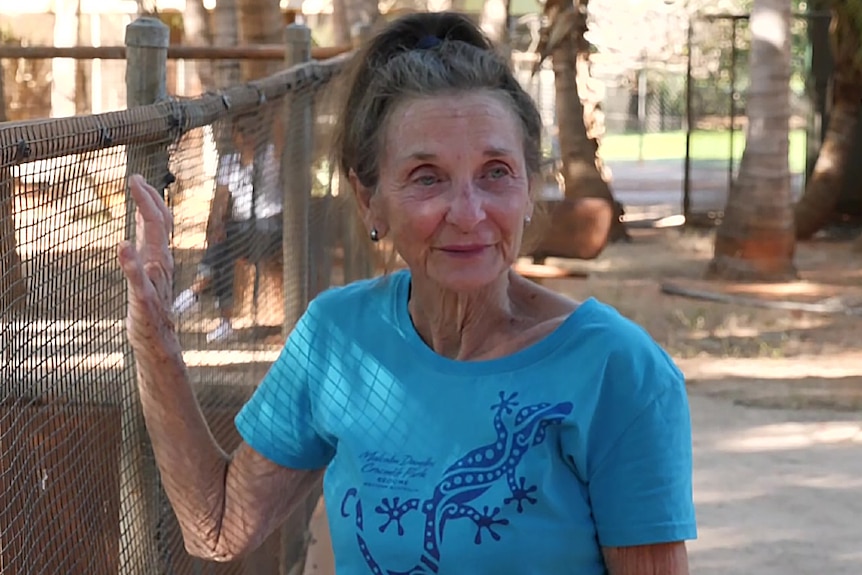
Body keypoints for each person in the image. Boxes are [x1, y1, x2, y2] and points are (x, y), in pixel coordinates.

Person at [118, 11, 696, 575]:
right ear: (370, 199)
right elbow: (217, 528)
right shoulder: (338, 337)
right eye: (427, 178)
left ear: (529, 186)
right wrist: (155, 337)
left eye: (496, 171)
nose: (469, 215)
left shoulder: (617, 370)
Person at [172, 117, 282, 343]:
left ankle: (194, 293)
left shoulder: (270, 156)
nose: (248, 136)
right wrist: (217, 224)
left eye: (253, 130)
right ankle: (224, 322)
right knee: (224, 251)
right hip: (239, 229)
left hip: (268, 227)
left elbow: (282, 128)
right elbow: (221, 199)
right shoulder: (229, 162)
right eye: (242, 131)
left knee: (226, 245)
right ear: (235, 135)